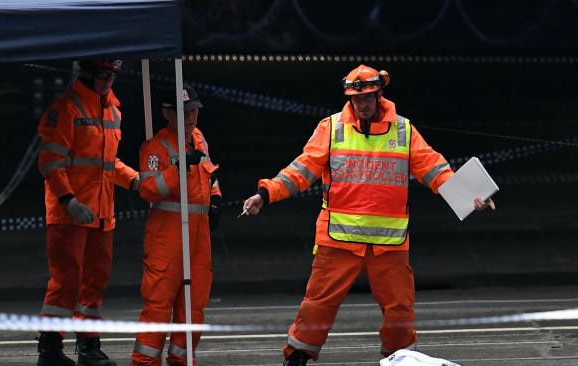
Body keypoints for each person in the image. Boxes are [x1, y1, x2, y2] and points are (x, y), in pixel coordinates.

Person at [242, 64, 495, 365]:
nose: (362, 104)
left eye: (368, 97)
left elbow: (435, 169)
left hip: (388, 243)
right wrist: (265, 194)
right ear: (349, 98)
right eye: (356, 98)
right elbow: (300, 170)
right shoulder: (332, 128)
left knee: (400, 309)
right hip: (339, 239)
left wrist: (471, 196)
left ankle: (398, 359)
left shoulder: (403, 131)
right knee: (318, 304)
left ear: (379, 94)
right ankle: (297, 355)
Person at [36, 59, 140, 366]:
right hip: (70, 215)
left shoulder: (112, 109)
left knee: (95, 282)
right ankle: (50, 349)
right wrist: (69, 201)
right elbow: (50, 163)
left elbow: (108, 164)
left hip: (101, 213)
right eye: (104, 75)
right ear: (88, 74)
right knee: (66, 282)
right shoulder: (67, 110)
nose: (109, 80)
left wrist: (133, 180)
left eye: (112, 76)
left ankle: (89, 346)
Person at [132, 84, 221, 366]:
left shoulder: (199, 139)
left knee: (194, 305)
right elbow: (147, 189)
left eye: (194, 109)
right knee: (158, 304)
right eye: (185, 111)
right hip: (167, 233)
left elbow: (210, 174)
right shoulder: (155, 147)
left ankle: (181, 360)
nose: (192, 115)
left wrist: (216, 200)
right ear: (167, 113)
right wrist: (178, 167)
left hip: (198, 233)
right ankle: (145, 362)